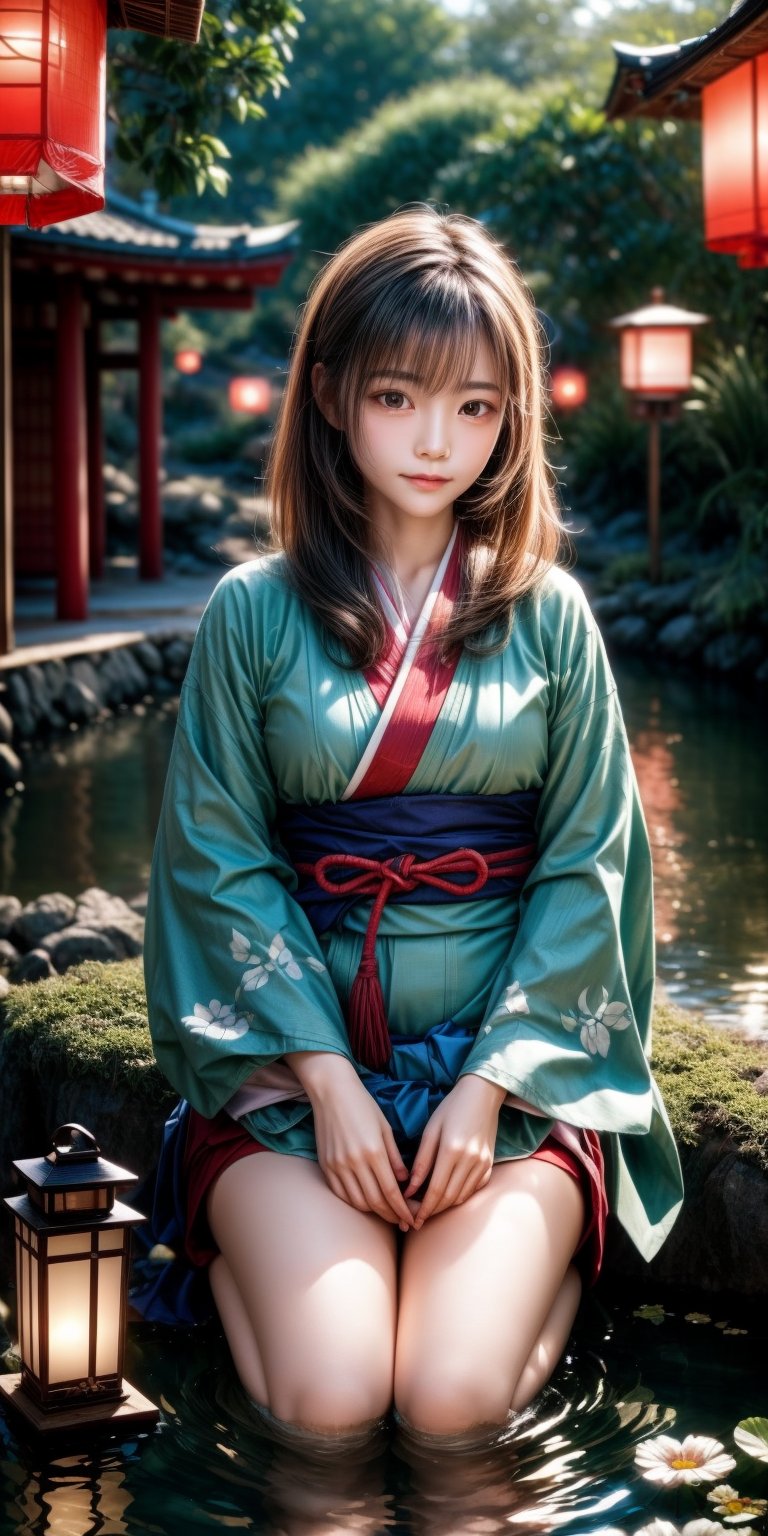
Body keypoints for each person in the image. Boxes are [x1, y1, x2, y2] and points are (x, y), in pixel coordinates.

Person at [142, 204, 683, 1447]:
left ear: (512, 419)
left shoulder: (550, 615)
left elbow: (590, 862)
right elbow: (217, 863)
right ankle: (223, 1267)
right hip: (291, 1077)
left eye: (477, 408)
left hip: (505, 1084)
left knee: (445, 1409)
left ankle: (547, 1279)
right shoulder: (251, 613)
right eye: (399, 397)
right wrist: (325, 1080)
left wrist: (491, 1087)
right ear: (330, 394)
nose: (438, 442)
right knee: (332, 1406)